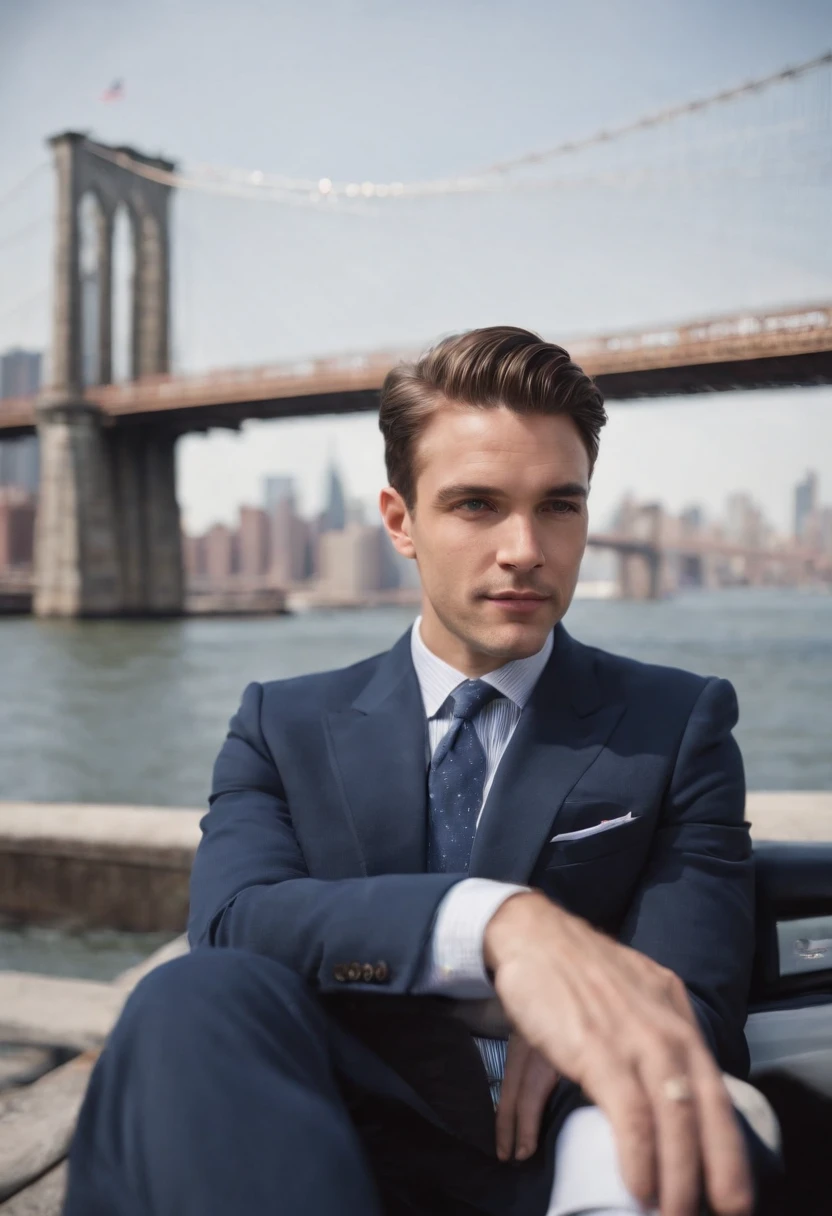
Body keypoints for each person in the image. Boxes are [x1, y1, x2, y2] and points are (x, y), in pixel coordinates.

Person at [64, 326, 780, 1216]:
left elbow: (699, 1000)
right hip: (319, 1143)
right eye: (477, 505)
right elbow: (235, 925)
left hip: (575, 1138)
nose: (525, 547)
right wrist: (496, 929)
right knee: (187, 996)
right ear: (400, 521)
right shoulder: (280, 722)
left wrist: (601, 1022)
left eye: (560, 505)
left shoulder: (680, 721)